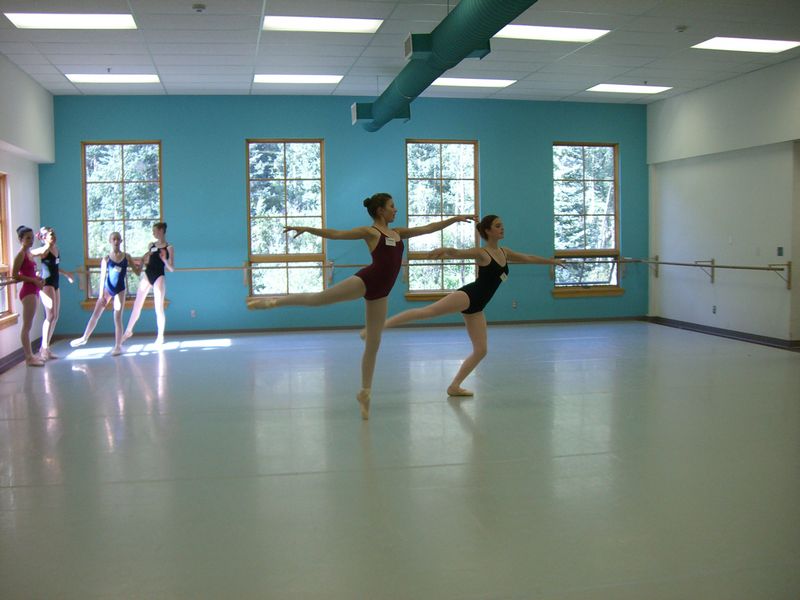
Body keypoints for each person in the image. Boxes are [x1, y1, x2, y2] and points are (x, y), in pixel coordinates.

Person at [247, 192, 472, 419]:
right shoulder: (371, 232)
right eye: (392, 206)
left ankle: (365, 393)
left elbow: (428, 228)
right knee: (319, 298)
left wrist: (454, 219)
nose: (396, 209)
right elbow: (336, 234)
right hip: (366, 281)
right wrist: (308, 229)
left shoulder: (398, 232)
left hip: (381, 293)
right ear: (380, 211)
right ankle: (273, 302)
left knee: (374, 343)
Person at [381, 214, 564, 397]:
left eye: (502, 225)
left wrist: (551, 261)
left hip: (478, 307)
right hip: (468, 296)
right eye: (498, 226)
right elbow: (458, 253)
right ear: (488, 231)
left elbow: (528, 257)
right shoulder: (482, 253)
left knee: (481, 350)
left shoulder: (505, 252)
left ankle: (454, 386)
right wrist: (446, 249)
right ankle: (382, 326)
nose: (502, 228)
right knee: (426, 312)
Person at [71, 232, 142, 355]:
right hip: (107, 289)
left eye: (118, 239)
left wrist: (142, 263)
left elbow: (137, 272)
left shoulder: (126, 257)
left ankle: (118, 346)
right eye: (114, 239)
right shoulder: (106, 259)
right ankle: (84, 337)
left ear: (121, 241)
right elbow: (102, 277)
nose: (116, 241)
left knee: (117, 318)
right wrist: (100, 296)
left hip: (120, 290)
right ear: (110, 241)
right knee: (96, 314)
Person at [122, 222, 174, 345]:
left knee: (158, 307)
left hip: (159, 276)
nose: (153, 233)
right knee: (137, 304)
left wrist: (164, 260)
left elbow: (171, 268)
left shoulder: (169, 247)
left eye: (155, 230)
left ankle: (160, 336)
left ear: (161, 231)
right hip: (147, 274)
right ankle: (128, 331)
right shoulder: (151, 245)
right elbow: (147, 260)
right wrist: (143, 259)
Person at [29, 227, 74, 360]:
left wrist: (66, 274)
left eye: (54, 234)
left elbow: (55, 267)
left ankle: (46, 347)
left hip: (55, 283)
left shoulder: (56, 249)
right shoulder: (44, 250)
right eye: (50, 235)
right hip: (46, 283)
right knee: (50, 316)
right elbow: (29, 254)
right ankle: (43, 348)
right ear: (44, 238)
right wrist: (34, 272)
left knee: (55, 316)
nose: (53, 237)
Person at [12, 226, 46, 366]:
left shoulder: (29, 253)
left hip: (34, 289)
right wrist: (33, 280)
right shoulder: (21, 254)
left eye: (32, 238)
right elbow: (15, 275)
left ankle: (31, 355)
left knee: (29, 325)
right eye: (27, 238)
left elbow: (30, 272)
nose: (31, 240)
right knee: (27, 326)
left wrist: (38, 278)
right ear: (21, 239)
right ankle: (28, 357)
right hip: (28, 292)